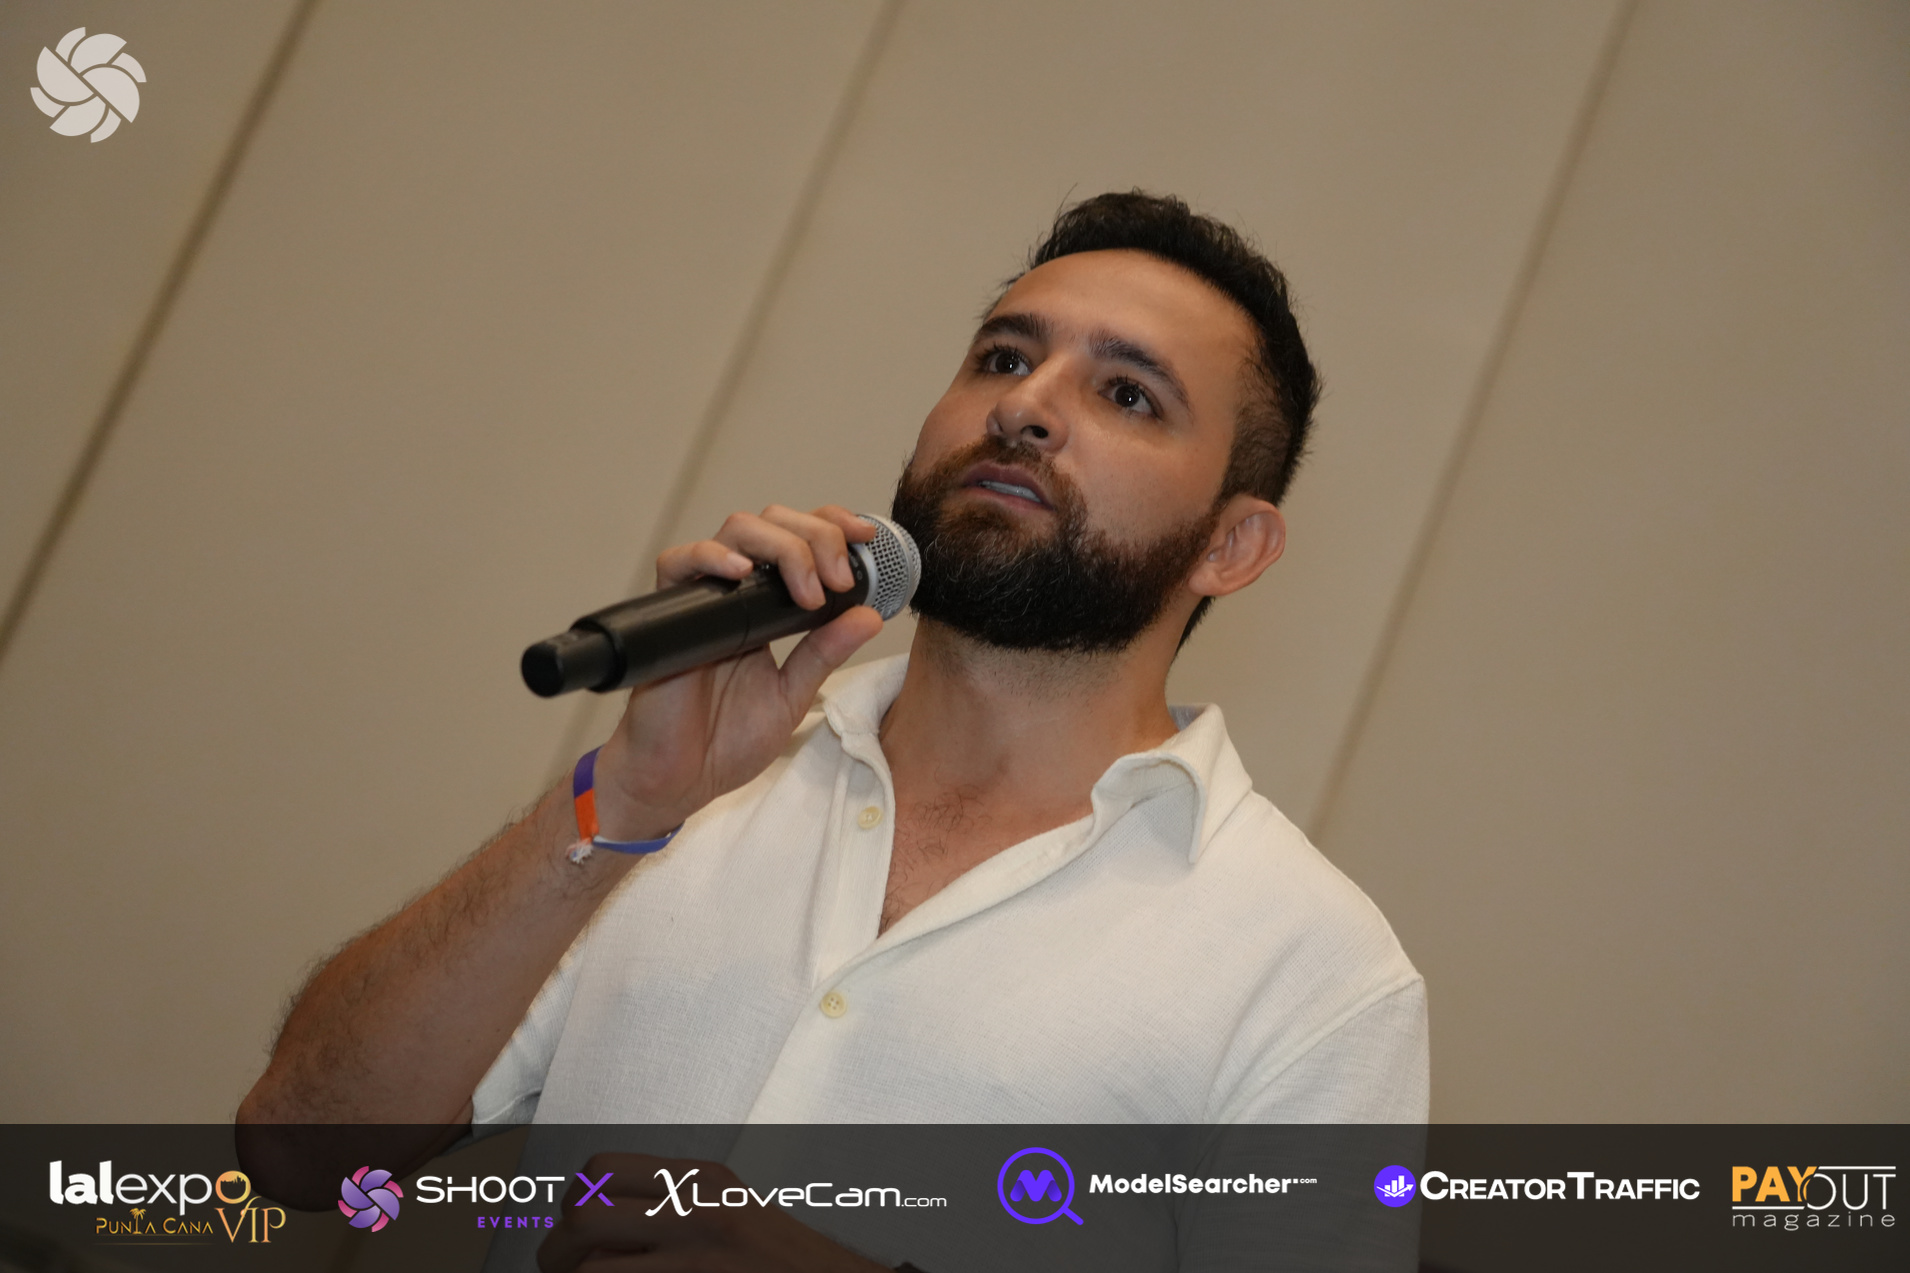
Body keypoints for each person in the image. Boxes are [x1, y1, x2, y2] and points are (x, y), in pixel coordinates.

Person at [238, 192, 1426, 1268]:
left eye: (1126, 394)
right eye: (1003, 357)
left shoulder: (1311, 966)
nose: (1023, 407)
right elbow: (297, 1150)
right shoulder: (685, 799)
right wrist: (622, 805)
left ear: (1230, 545)